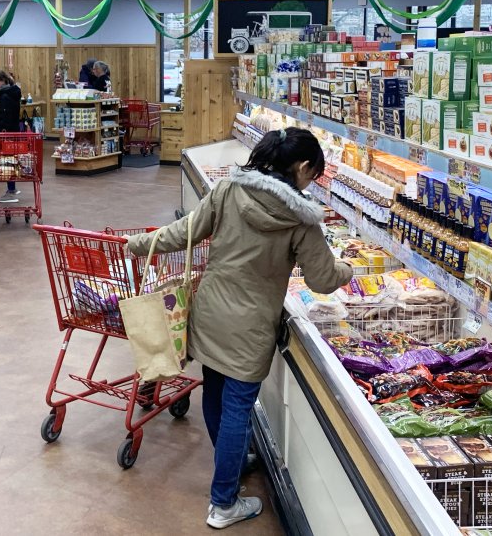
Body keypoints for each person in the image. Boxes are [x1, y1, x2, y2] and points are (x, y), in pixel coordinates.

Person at [125, 128, 352, 529]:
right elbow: (322, 278)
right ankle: (223, 502)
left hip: (211, 313)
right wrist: (347, 269)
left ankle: (228, 463)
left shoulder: (229, 190)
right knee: (237, 411)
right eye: (313, 175)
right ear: (301, 168)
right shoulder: (301, 219)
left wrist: (140, 244)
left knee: (214, 395)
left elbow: (185, 232)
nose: (311, 183)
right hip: (251, 328)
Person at [0, 70, 23, 201]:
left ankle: (10, 190)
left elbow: (5, 117)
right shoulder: (11, 93)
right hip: (12, 132)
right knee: (10, 160)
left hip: (5, 135)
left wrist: (0, 132)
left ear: (2, 81)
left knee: (7, 162)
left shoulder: (4, 97)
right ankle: (12, 188)